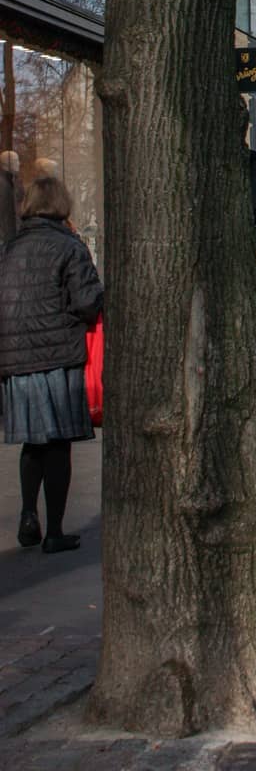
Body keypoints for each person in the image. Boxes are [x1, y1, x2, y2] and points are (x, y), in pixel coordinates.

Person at [0, 172, 103, 553]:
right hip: (58, 354)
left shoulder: (9, 248)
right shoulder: (69, 247)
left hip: (17, 361)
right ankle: (55, 531)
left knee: (33, 442)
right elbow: (87, 301)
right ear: (62, 206)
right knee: (58, 444)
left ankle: (29, 515)